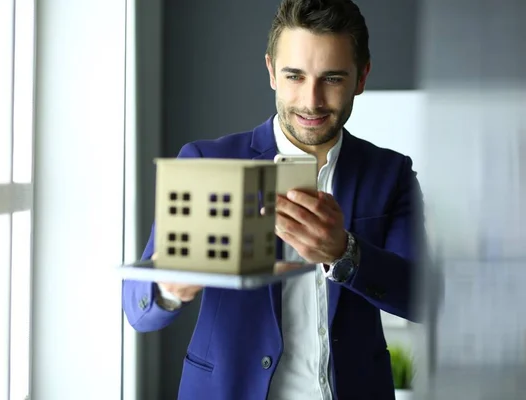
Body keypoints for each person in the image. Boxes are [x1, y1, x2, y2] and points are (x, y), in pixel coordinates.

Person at [123, 0, 425, 398]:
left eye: (332, 78)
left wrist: (345, 253)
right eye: (294, 76)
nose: (311, 100)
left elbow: (422, 298)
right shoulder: (207, 161)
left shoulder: (390, 174)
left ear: (361, 77)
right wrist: (169, 286)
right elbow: (138, 311)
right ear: (271, 72)